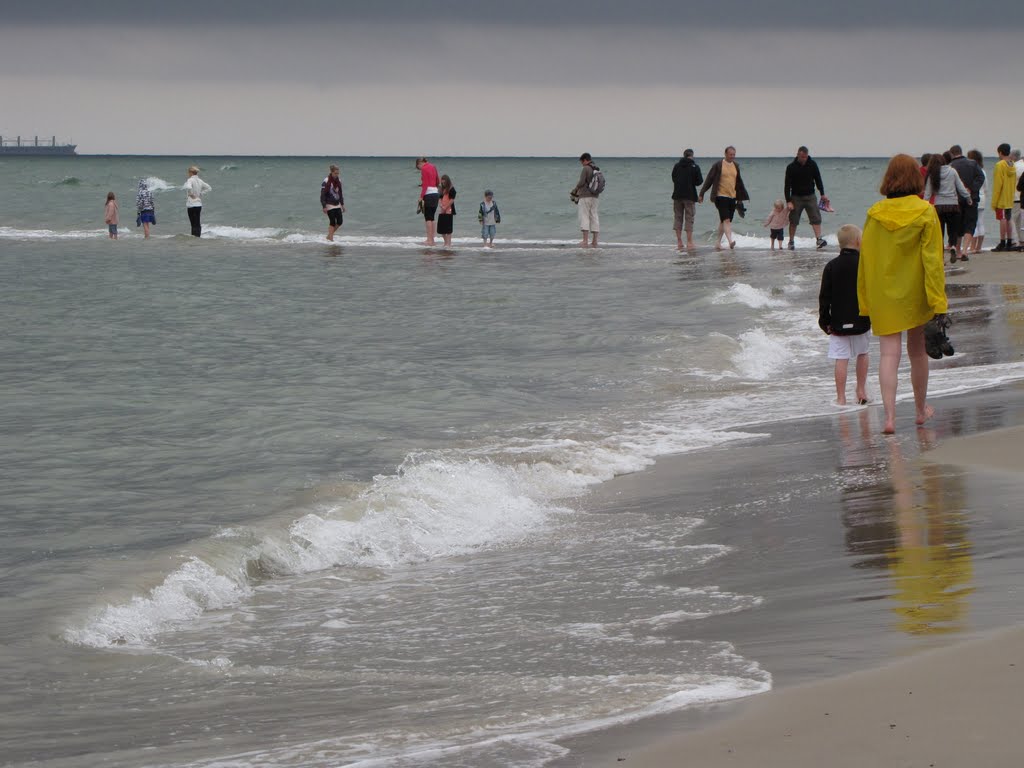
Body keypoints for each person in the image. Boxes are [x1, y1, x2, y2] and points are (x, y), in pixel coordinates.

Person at [858, 154, 947, 434]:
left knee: (888, 354)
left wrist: (865, 299)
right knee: (917, 352)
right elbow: (933, 261)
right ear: (916, 178)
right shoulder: (925, 211)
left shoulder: (874, 213)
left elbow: (866, 260)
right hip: (915, 291)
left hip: (884, 292)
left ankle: (889, 418)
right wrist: (938, 300)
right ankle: (920, 410)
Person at [819, 224, 871, 406]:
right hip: (862, 317)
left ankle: (841, 397)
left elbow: (825, 296)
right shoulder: (865, 264)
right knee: (863, 353)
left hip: (838, 320)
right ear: (858, 241)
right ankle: (861, 390)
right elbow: (871, 291)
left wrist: (824, 320)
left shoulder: (831, 266)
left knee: (841, 358)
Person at [922, 153, 971, 263]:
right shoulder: (952, 171)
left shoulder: (932, 175)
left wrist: (924, 205)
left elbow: (928, 194)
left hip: (939, 207)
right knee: (953, 230)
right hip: (953, 206)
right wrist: (968, 197)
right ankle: (953, 246)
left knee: (939, 233)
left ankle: (941, 257)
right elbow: (961, 187)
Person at [698, 145, 749, 250]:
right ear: (725, 154)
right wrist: (702, 193)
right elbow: (709, 180)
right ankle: (731, 241)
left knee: (724, 221)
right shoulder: (718, 165)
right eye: (730, 154)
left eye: (734, 155)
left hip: (732, 196)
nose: (732, 156)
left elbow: (738, 183)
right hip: (720, 196)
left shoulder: (736, 166)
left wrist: (740, 198)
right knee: (726, 220)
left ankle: (717, 243)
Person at [784, 146, 829, 249]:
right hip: (796, 197)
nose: (803, 159)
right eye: (802, 157)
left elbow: (818, 179)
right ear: (797, 155)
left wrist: (822, 194)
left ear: (807, 155)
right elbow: (787, 186)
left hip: (810, 196)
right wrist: (788, 201)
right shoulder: (791, 167)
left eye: (805, 157)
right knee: (794, 220)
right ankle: (791, 241)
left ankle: (819, 240)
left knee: (816, 218)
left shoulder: (812, 164)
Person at [948, 145, 984, 256]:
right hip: (971, 198)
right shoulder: (972, 163)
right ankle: (965, 250)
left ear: (951, 154)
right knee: (970, 224)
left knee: (958, 225)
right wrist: (972, 188)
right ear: (961, 152)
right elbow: (980, 177)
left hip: (956, 199)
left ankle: (958, 250)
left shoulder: (951, 166)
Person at [671, 149, 703, 250]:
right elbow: (699, 181)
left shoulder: (677, 166)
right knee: (689, 218)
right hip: (690, 196)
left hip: (677, 195)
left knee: (678, 217)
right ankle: (689, 242)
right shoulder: (695, 167)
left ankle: (679, 241)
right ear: (692, 156)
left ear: (684, 155)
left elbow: (673, 178)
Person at [571, 152, 601, 248]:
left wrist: (575, 189)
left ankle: (585, 241)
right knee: (594, 216)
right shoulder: (596, 169)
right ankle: (595, 241)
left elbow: (581, 182)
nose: (582, 164)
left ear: (585, 160)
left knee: (584, 216)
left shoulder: (586, 168)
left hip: (585, 196)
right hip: (595, 196)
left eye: (581, 162)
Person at [990, 143, 1016, 251]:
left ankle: (1002, 242)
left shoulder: (1000, 165)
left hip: (1002, 197)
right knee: (1008, 219)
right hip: (1009, 196)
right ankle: (1009, 241)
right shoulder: (1012, 164)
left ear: (1000, 152)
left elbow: (998, 184)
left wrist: (994, 201)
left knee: (1003, 219)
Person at [416, 156, 440, 246]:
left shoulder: (424, 169)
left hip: (428, 194)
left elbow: (425, 185)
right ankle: (432, 239)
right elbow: (438, 180)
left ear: (419, 164)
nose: (420, 169)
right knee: (432, 217)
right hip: (435, 193)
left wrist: (421, 197)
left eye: (419, 168)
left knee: (428, 218)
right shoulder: (433, 166)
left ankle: (429, 240)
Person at [965, 149, 987, 254]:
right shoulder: (983, 171)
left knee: (972, 222)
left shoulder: (972, 170)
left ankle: (972, 246)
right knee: (981, 223)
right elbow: (986, 187)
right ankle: (979, 247)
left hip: (975, 196)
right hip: (983, 197)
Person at [320, 164, 346, 241]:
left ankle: (329, 236)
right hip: (329, 204)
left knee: (340, 221)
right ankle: (331, 238)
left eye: (338, 173)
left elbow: (340, 193)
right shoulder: (326, 181)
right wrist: (324, 206)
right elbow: (322, 195)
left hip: (337, 204)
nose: (337, 175)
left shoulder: (339, 181)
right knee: (332, 222)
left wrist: (342, 204)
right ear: (331, 172)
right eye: (335, 173)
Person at [184, 165, 211, 237]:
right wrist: (201, 193)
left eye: (188, 172)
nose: (188, 174)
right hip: (198, 204)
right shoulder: (200, 180)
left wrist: (190, 193)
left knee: (193, 224)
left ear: (190, 172)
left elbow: (188, 186)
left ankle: (194, 238)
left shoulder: (190, 180)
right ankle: (198, 237)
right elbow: (209, 188)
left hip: (191, 204)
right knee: (198, 223)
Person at [437, 174, 457, 248]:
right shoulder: (441, 189)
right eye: (442, 183)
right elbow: (440, 198)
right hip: (442, 208)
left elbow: (452, 200)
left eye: (444, 183)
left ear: (447, 182)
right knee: (441, 228)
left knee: (448, 228)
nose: (443, 184)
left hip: (449, 209)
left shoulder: (452, 189)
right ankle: (446, 242)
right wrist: (441, 205)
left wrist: (446, 207)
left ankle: (449, 243)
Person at [1012, 149, 1023, 249]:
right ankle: (1021, 239)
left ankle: (1016, 241)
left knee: (1013, 220)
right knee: (1021, 221)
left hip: (1015, 197)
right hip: (1021, 197)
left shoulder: (1014, 167)